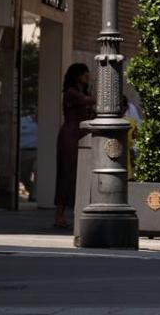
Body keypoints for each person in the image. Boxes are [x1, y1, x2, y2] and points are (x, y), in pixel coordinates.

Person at [53, 63, 94, 229]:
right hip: (70, 135)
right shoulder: (71, 93)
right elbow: (86, 101)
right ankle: (60, 214)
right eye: (85, 75)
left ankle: (76, 211)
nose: (88, 78)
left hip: (82, 134)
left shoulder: (81, 93)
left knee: (80, 174)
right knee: (67, 174)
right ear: (77, 76)